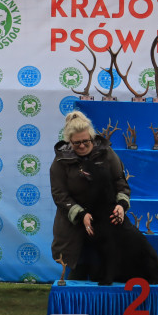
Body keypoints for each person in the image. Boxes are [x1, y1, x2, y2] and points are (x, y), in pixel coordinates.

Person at [50, 110, 130, 280]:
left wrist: (121, 206)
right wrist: (81, 215)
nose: (82, 145)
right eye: (76, 142)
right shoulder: (59, 162)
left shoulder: (108, 154)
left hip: (106, 225)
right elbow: (59, 195)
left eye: (86, 141)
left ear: (92, 138)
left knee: (104, 273)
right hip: (74, 229)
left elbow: (121, 183)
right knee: (76, 275)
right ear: (69, 141)